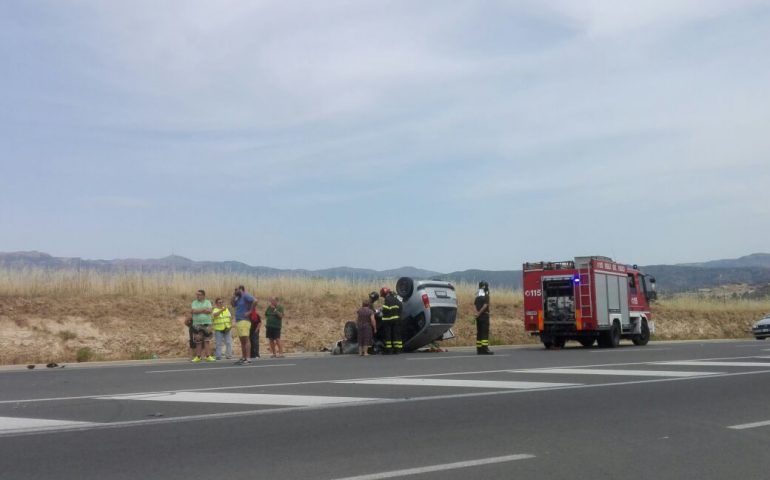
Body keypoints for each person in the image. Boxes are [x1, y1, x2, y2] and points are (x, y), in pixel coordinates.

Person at [232, 285, 256, 365]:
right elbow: (232, 304)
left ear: (241, 289)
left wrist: (250, 311)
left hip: (244, 321)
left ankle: (248, 359)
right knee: (242, 341)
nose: (235, 291)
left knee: (246, 339)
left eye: (237, 289)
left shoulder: (245, 295)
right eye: (235, 290)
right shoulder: (238, 298)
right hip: (239, 321)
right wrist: (234, 296)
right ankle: (244, 357)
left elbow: (255, 301)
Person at [190, 289, 216, 362]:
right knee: (198, 341)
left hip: (207, 323)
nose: (197, 296)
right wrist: (204, 310)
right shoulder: (194, 302)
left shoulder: (208, 302)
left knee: (207, 340)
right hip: (197, 324)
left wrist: (199, 310)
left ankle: (208, 356)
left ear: (203, 295)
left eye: (199, 294)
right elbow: (194, 311)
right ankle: (198, 357)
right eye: (197, 294)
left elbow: (210, 311)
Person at [379, 287, 403, 354]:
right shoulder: (396, 299)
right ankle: (398, 350)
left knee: (388, 335)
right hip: (397, 319)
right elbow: (400, 307)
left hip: (388, 320)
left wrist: (381, 310)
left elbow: (386, 309)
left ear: (384, 294)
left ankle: (389, 350)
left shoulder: (387, 299)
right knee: (396, 334)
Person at [474, 281, 494, 355]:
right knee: (484, 333)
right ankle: (485, 349)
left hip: (478, 317)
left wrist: (477, 314)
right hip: (484, 316)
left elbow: (475, 306)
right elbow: (485, 306)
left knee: (479, 333)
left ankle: (479, 350)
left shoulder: (477, 296)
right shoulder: (486, 296)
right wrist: (479, 313)